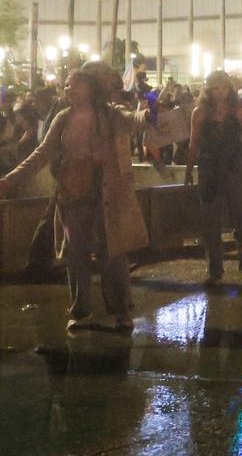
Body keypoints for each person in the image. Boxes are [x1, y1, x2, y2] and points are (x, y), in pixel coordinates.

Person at [0, 68, 144, 332]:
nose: (69, 90)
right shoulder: (63, 119)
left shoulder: (109, 114)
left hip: (106, 193)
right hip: (73, 193)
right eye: (67, 86)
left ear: (90, 88)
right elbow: (42, 152)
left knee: (112, 253)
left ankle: (122, 311)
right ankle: (80, 309)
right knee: (75, 252)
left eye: (74, 85)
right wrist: (10, 180)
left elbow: (133, 120)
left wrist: (149, 113)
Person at [184, 69, 242, 285]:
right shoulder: (200, 112)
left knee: (240, 216)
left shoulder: (238, 112)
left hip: (235, 167)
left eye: (224, 87)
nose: (220, 92)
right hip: (210, 169)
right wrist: (189, 168)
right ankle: (215, 268)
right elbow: (194, 142)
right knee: (210, 221)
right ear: (208, 89)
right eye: (216, 88)